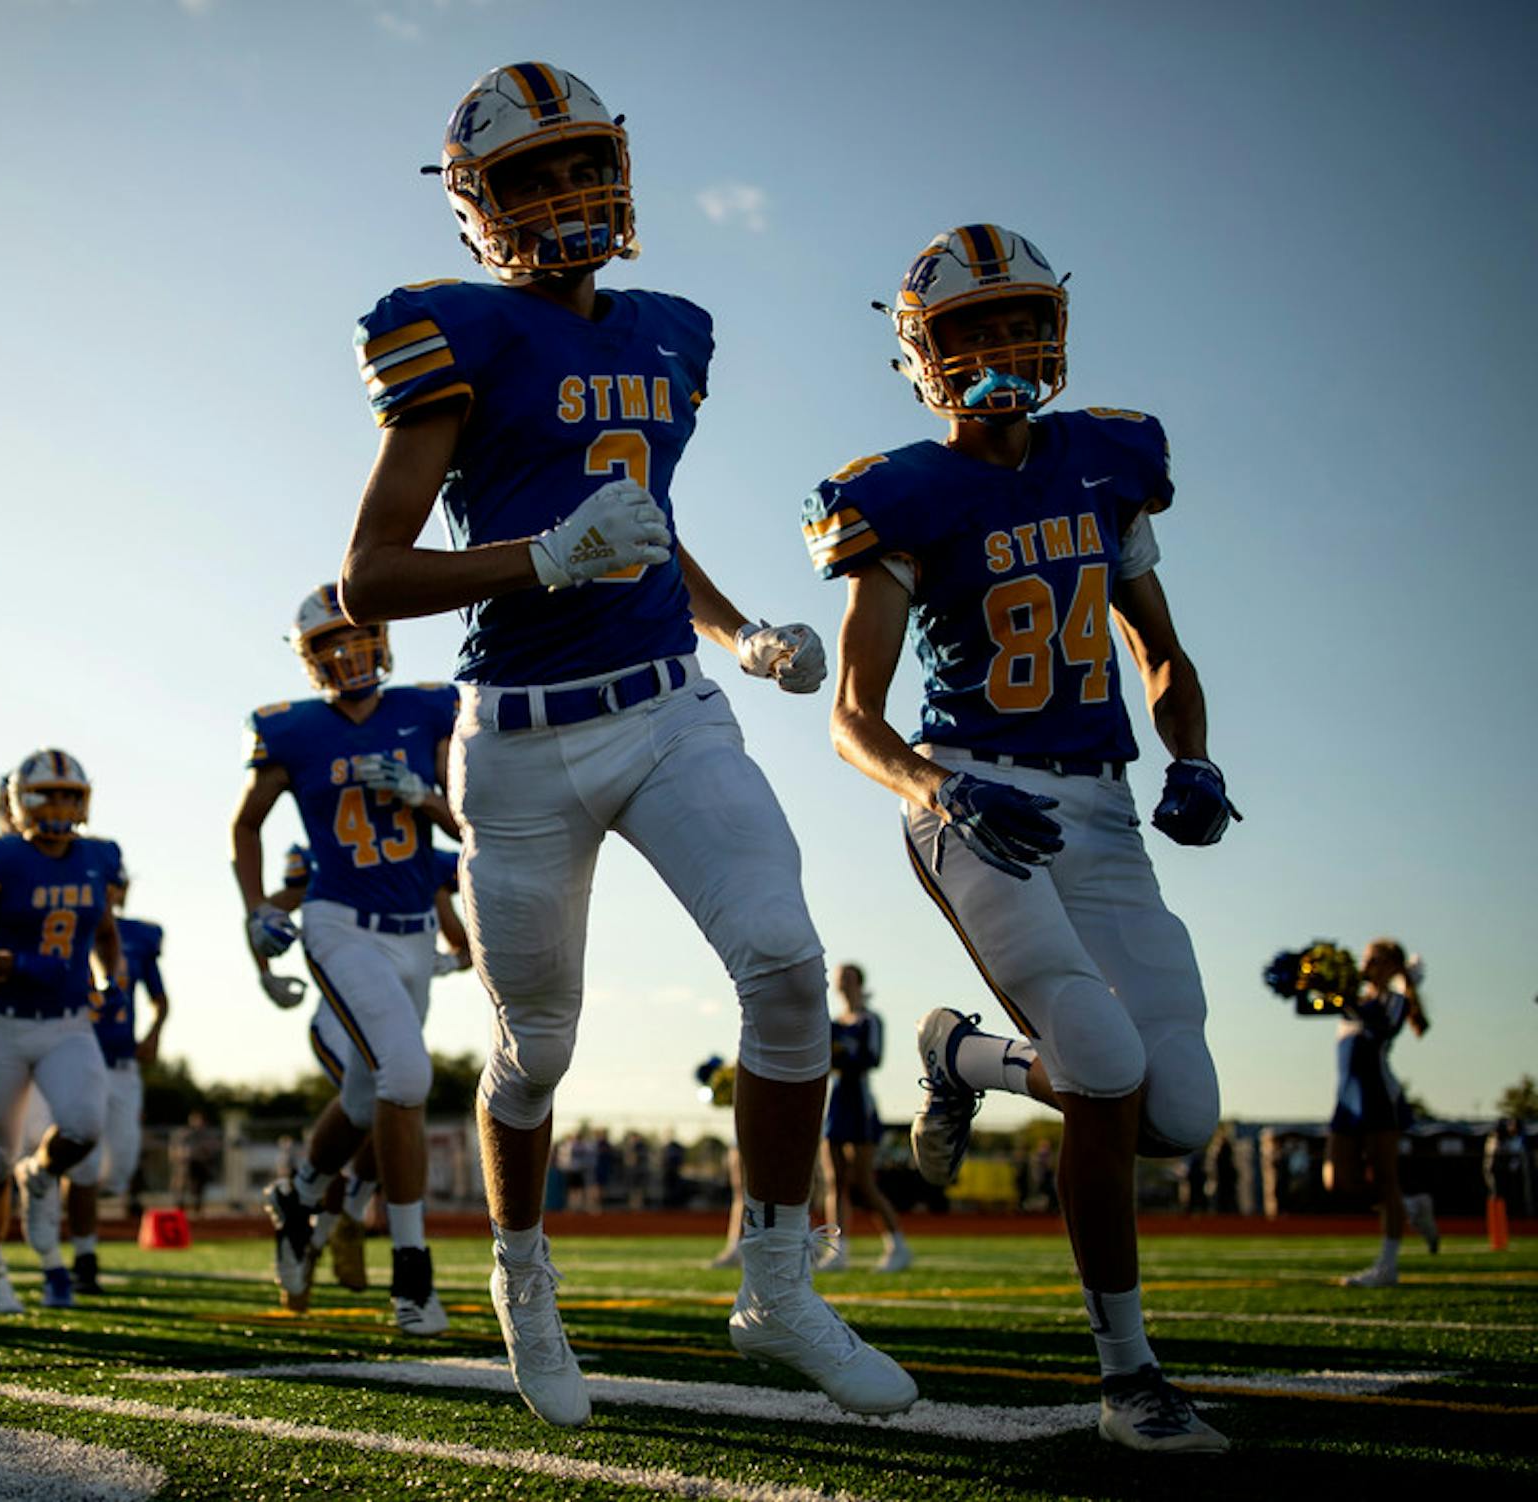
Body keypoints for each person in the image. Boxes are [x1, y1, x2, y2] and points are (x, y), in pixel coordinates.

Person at [338, 62, 914, 1426]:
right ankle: (521, 1278)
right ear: (476, 206)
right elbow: (368, 575)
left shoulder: (670, 332)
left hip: (666, 704)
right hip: (522, 744)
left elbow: (643, 514)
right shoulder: (453, 335)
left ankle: (777, 1279)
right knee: (536, 1046)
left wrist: (734, 631)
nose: (564, 194)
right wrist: (538, 557)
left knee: (783, 961)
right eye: (529, 176)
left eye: (579, 163)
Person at [814, 223, 1237, 1452]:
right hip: (974, 796)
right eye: (971, 331)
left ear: (1053, 328)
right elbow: (853, 716)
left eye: (1017, 323)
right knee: (1101, 1060)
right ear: (922, 352)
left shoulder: (1108, 460)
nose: (1000, 349)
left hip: (1100, 806)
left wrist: (1194, 754)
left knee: (1179, 1114)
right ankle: (1129, 1373)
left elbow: (1161, 654)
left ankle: (965, 1057)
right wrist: (938, 789)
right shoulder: (898, 490)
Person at [230, 583, 461, 1335]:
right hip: (338, 923)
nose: (346, 652)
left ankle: (298, 1196)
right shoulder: (290, 729)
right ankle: (412, 1274)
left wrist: (421, 795)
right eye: (327, 643)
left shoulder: (427, 708)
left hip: (412, 929)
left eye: (355, 634)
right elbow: (247, 826)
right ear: (309, 659)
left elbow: (470, 823)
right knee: (407, 1074)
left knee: (367, 1100)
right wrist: (259, 908)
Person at [0, 747, 121, 1315]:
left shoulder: (98, 857)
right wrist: (15, 964)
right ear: (20, 802)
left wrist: (110, 980)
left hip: (67, 1022)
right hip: (3, 1025)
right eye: (49, 794)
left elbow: (104, 932)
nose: (61, 806)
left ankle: (40, 1176)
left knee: (86, 1127)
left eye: (70, 795)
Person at [71, 867, 169, 1295]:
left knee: (121, 1166)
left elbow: (160, 998)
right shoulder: (69, 926)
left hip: (124, 1063)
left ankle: (69, 1209)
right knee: (85, 1165)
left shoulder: (140, 937)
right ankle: (84, 1256)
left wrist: (153, 1033)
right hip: (78, 1056)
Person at [1326, 939, 1436, 1286]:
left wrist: (1347, 998)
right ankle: (1411, 1206)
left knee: (1385, 1176)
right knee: (1337, 1180)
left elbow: (1382, 1026)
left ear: (1391, 966)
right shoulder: (1354, 1001)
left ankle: (1388, 1266)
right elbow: (1310, 1007)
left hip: (1377, 1095)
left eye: (1374, 960)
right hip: (1347, 1098)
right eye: (1366, 958)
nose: (1366, 964)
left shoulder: (1395, 1001)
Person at [818, 964, 910, 1273]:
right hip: (835, 1103)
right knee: (835, 1180)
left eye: (847, 976)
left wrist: (842, 1055)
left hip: (860, 1102)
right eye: (839, 977)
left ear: (858, 982)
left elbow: (873, 1058)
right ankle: (837, 1249)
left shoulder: (870, 1020)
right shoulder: (831, 1023)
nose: (841, 981)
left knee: (863, 1182)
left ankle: (897, 1243)